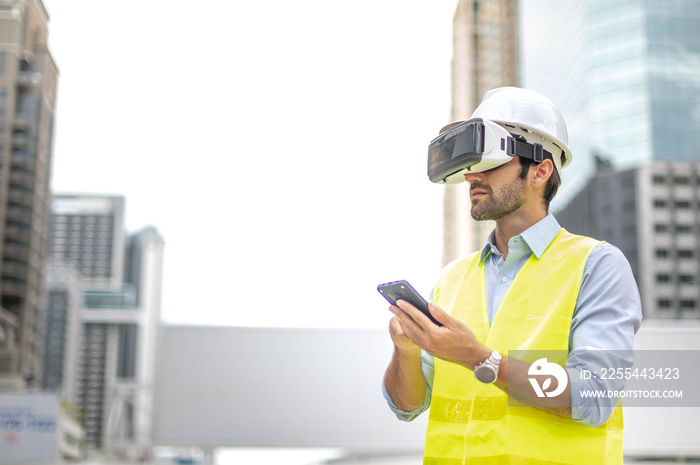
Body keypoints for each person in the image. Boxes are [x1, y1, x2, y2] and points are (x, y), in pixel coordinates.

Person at [382, 87, 642, 464]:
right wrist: (405, 351)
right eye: (472, 164)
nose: (472, 175)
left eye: (490, 162)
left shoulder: (596, 265)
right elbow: (407, 406)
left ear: (540, 169)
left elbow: (593, 395)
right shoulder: (452, 278)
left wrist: (478, 359)